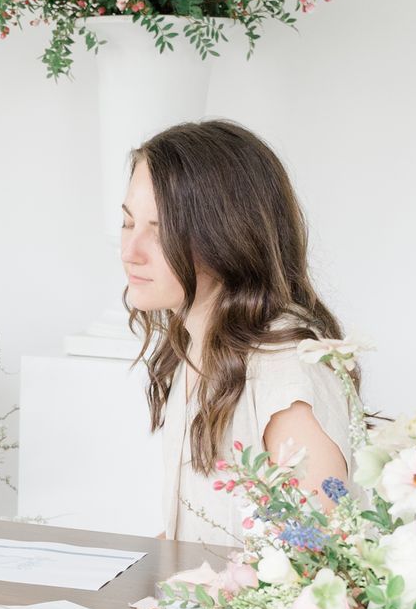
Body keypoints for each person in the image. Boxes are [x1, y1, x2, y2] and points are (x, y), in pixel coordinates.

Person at [121, 120, 355, 542]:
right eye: (128, 223)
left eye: (158, 231)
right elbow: (196, 540)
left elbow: (321, 560)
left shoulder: (286, 372)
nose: (130, 252)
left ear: (224, 237)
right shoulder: (191, 350)